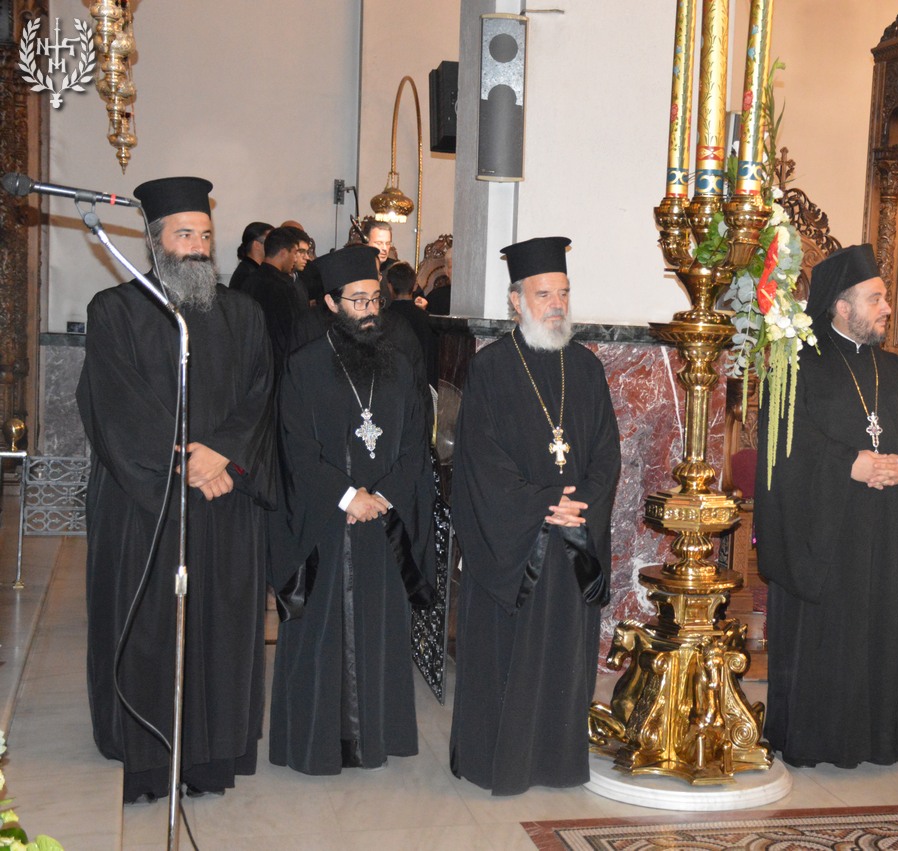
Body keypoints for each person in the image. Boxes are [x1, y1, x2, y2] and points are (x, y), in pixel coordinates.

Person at [77, 177, 276, 803]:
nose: (198, 246)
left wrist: (223, 455)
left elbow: (260, 394)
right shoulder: (114, 312)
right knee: (149, 629)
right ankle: (145, 757)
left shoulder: (243, 314)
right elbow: (112, 404)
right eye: (184, 234)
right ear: (154, 240)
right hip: (146, 508)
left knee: (221, 628)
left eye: (206, 235)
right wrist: (186, 462)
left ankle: (213, 756)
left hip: (224, 502)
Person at [753, 243, 898, 769]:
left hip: (887, 535)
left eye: (885, 298)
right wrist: (845, 464)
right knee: (827, 639)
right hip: (825, 539)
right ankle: (816, 739)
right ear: (840, 305)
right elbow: (781, 447)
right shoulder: (795, 367)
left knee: (880, 634)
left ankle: (880, 739)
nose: (887, 308)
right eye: (875, 299)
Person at [450, 235, 621, 795]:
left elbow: (607, 453)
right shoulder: (491, 369)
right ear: (515, 300)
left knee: (565, 660)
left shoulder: (587, 368)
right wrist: (545, 504)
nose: (557, 305)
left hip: (573, 542)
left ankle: (558, 763)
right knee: (509, 656)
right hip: (516, 545)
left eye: (563, 293)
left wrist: (581, 506)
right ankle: (499, 763)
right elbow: (481, 461)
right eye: (544, 294)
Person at [268, 244, 435, 775]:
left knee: (381, 627)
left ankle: (378, 739)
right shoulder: (303, 366)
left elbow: (417, 443)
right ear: (329, 303)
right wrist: (347, 496)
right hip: (326, 521)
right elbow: (293, 447)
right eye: (357, 300)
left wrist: (383, 496)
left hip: (383, 523)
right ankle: (318, 744)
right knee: (323, 630)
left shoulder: (399, 365)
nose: (368, 311)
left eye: (374, 300)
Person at [240, 225, 310, 375]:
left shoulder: (249, 282)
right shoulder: (284, 287)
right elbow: (292, 332)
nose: (295, 259)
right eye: (295, 253)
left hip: (253, 364)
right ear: (283, 252)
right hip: (280, 367)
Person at [383, 260, 439, 390]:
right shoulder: (428, 320)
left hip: (390, 387)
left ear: (389, 286)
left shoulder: (383, 320)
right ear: (414, 286)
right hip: (421, 387)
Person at [228, 220, 272, 290]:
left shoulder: (251, 270)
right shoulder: (248, 275)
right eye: (271, 241)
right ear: (257, 245)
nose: (275, 245)